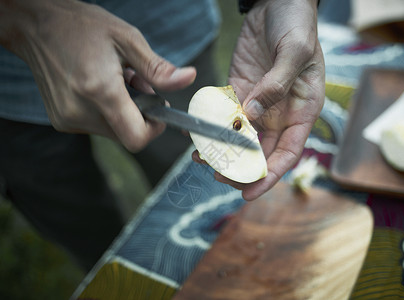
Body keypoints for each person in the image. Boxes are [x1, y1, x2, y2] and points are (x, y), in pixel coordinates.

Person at [0, 0, 324, 270]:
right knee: (75, 217)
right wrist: (24, 18)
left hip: (167, 29)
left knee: (186, 182)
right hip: (12, 85)